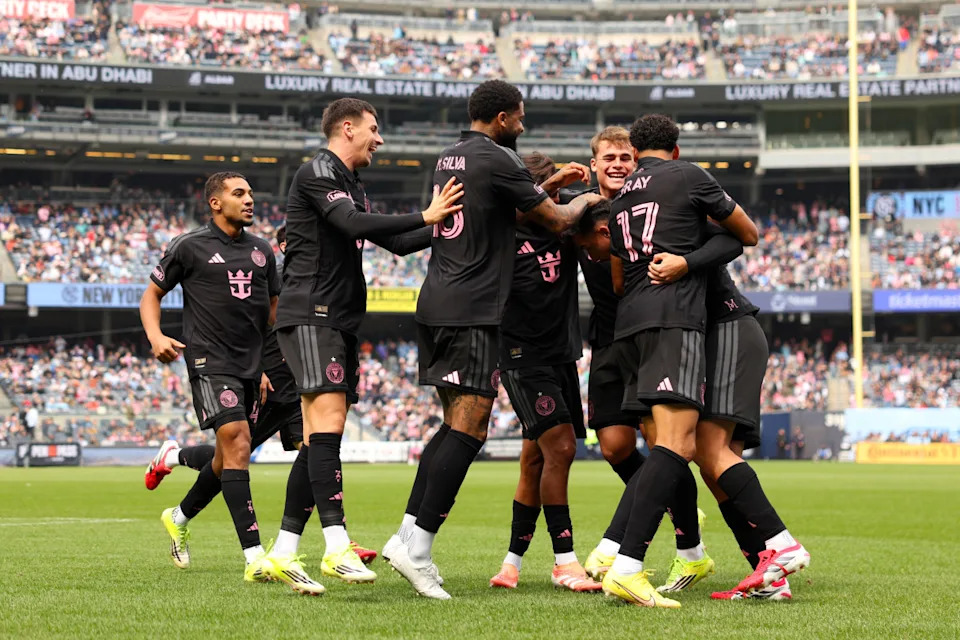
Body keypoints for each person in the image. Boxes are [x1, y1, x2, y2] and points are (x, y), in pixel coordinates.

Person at [381, 79, 603, 600]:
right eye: (520, 118)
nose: (522, 128)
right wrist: (590, 197)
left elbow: (510, 211)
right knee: (471, 427)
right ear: (502, 118)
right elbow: (554, 220)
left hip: (436, 302)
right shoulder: (500, 157)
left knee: (451, 426)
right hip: (472, 309)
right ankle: (418, 548)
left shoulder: (450, 158)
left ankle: (409, 536)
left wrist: (547, 187)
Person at [275, 97, 463, 586]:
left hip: (335, 318)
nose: (380, 139)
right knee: (328, 422)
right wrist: (425, 213)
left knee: (320, 433)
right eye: (374, 130)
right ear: (347, 127)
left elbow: (396, 243)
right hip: (313, 312)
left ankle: (283, 548)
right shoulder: (318, 171)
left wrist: (449, 224)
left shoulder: (350, 182)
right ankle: (336, 544)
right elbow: (355, 226)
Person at [142, 225, 375, 596]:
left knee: (313, 454)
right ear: (287, 245)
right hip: (266, 383)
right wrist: (264, 368)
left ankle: (336, 539)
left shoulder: (290, 269)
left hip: (299, 382)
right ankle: (187, 481)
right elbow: (261, 323)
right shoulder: (265, 266)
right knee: (234, 451)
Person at [598, 114, 761, 608]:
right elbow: (746, 234)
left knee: (669, 444)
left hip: (628, 325)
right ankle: (626, 563)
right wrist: (687, 260)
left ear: (637, 150)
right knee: (677, 444)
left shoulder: (619, 198)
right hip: (674, 321)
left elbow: (620, 280)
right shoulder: (687, 175)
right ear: (674, 147)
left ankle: (687, 552)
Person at [140, 171, 280, 582]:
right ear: (216, 203)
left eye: (251, 193)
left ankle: (179, 516)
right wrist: (155, 335)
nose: (249, 199)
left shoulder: (262, 251)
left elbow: (271, 315)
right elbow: (151, 296)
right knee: (237, 442)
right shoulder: (189, 246)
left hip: (251, 366)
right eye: (239, 193)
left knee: (225, 458)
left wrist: (271, 364)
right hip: (208, 361)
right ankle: (255, 557)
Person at [488, 153, 601, 593]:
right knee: (562, 448)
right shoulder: (503, 226)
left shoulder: (566, 220)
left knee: (534, 457)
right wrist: (554, 182)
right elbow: (519, 204)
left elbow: (590, 205)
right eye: (544, 189)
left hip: (560, 354)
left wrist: (578, 187)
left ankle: (511, 563)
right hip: (521, 354)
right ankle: (565, 561)